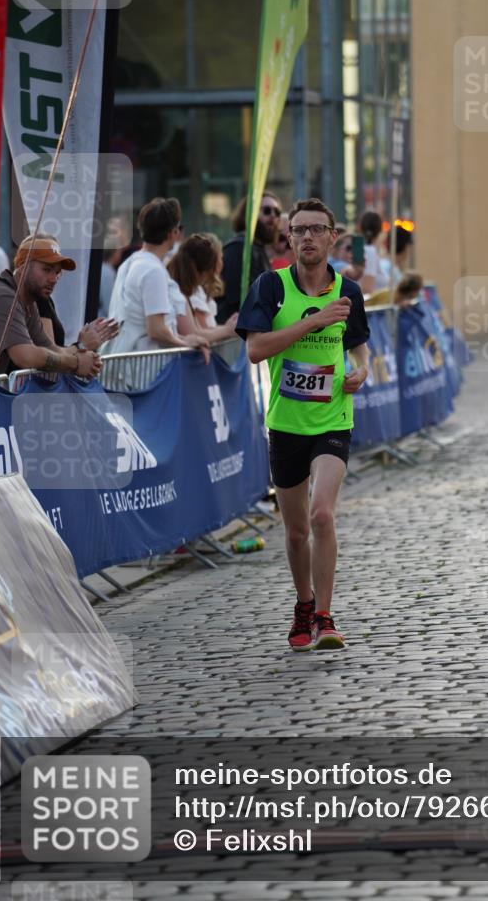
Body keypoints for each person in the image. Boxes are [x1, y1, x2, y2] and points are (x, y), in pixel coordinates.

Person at [236, 197, 370, 652]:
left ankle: (327, 615)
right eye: (299, 230)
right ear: (289, 238)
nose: (307, 237)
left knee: (322, 515)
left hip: (333, 417)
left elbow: (359, 346)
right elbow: (255, 349)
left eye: (317, 229)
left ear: (333, 236)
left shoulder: (348, 292)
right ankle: (304, 604)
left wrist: (362, 370)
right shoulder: (270, 287)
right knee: (294, 532)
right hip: (286, 422)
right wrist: (313, 322)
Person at [105, 197, 208, 355]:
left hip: (126, 364)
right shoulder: (153, 270)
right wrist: (185, 343)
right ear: (173, 233)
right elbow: (156, 330)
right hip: (142, 371)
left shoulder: (130, 263)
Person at [0, 237, 101, 378]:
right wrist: (76, 363)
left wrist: (82, 352)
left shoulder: (29, 301)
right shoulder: (3, 295)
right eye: (46, 269)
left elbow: (50, 349)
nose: (54, 279)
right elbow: (25, 356)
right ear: (23, 267)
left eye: (57, 272)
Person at [217, 190, 282, 323]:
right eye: (267, 210)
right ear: (249, 213)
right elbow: (236, 300)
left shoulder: (258, 249)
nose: (273, 216)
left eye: (277, 212)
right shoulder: (238, 249)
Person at [167, 233, 238, 343]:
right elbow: (193, 333)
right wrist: (227, 330)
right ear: (201, 273)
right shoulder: (178, 294)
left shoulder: (182, 292)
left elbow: (199, 331)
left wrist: (228, 328)